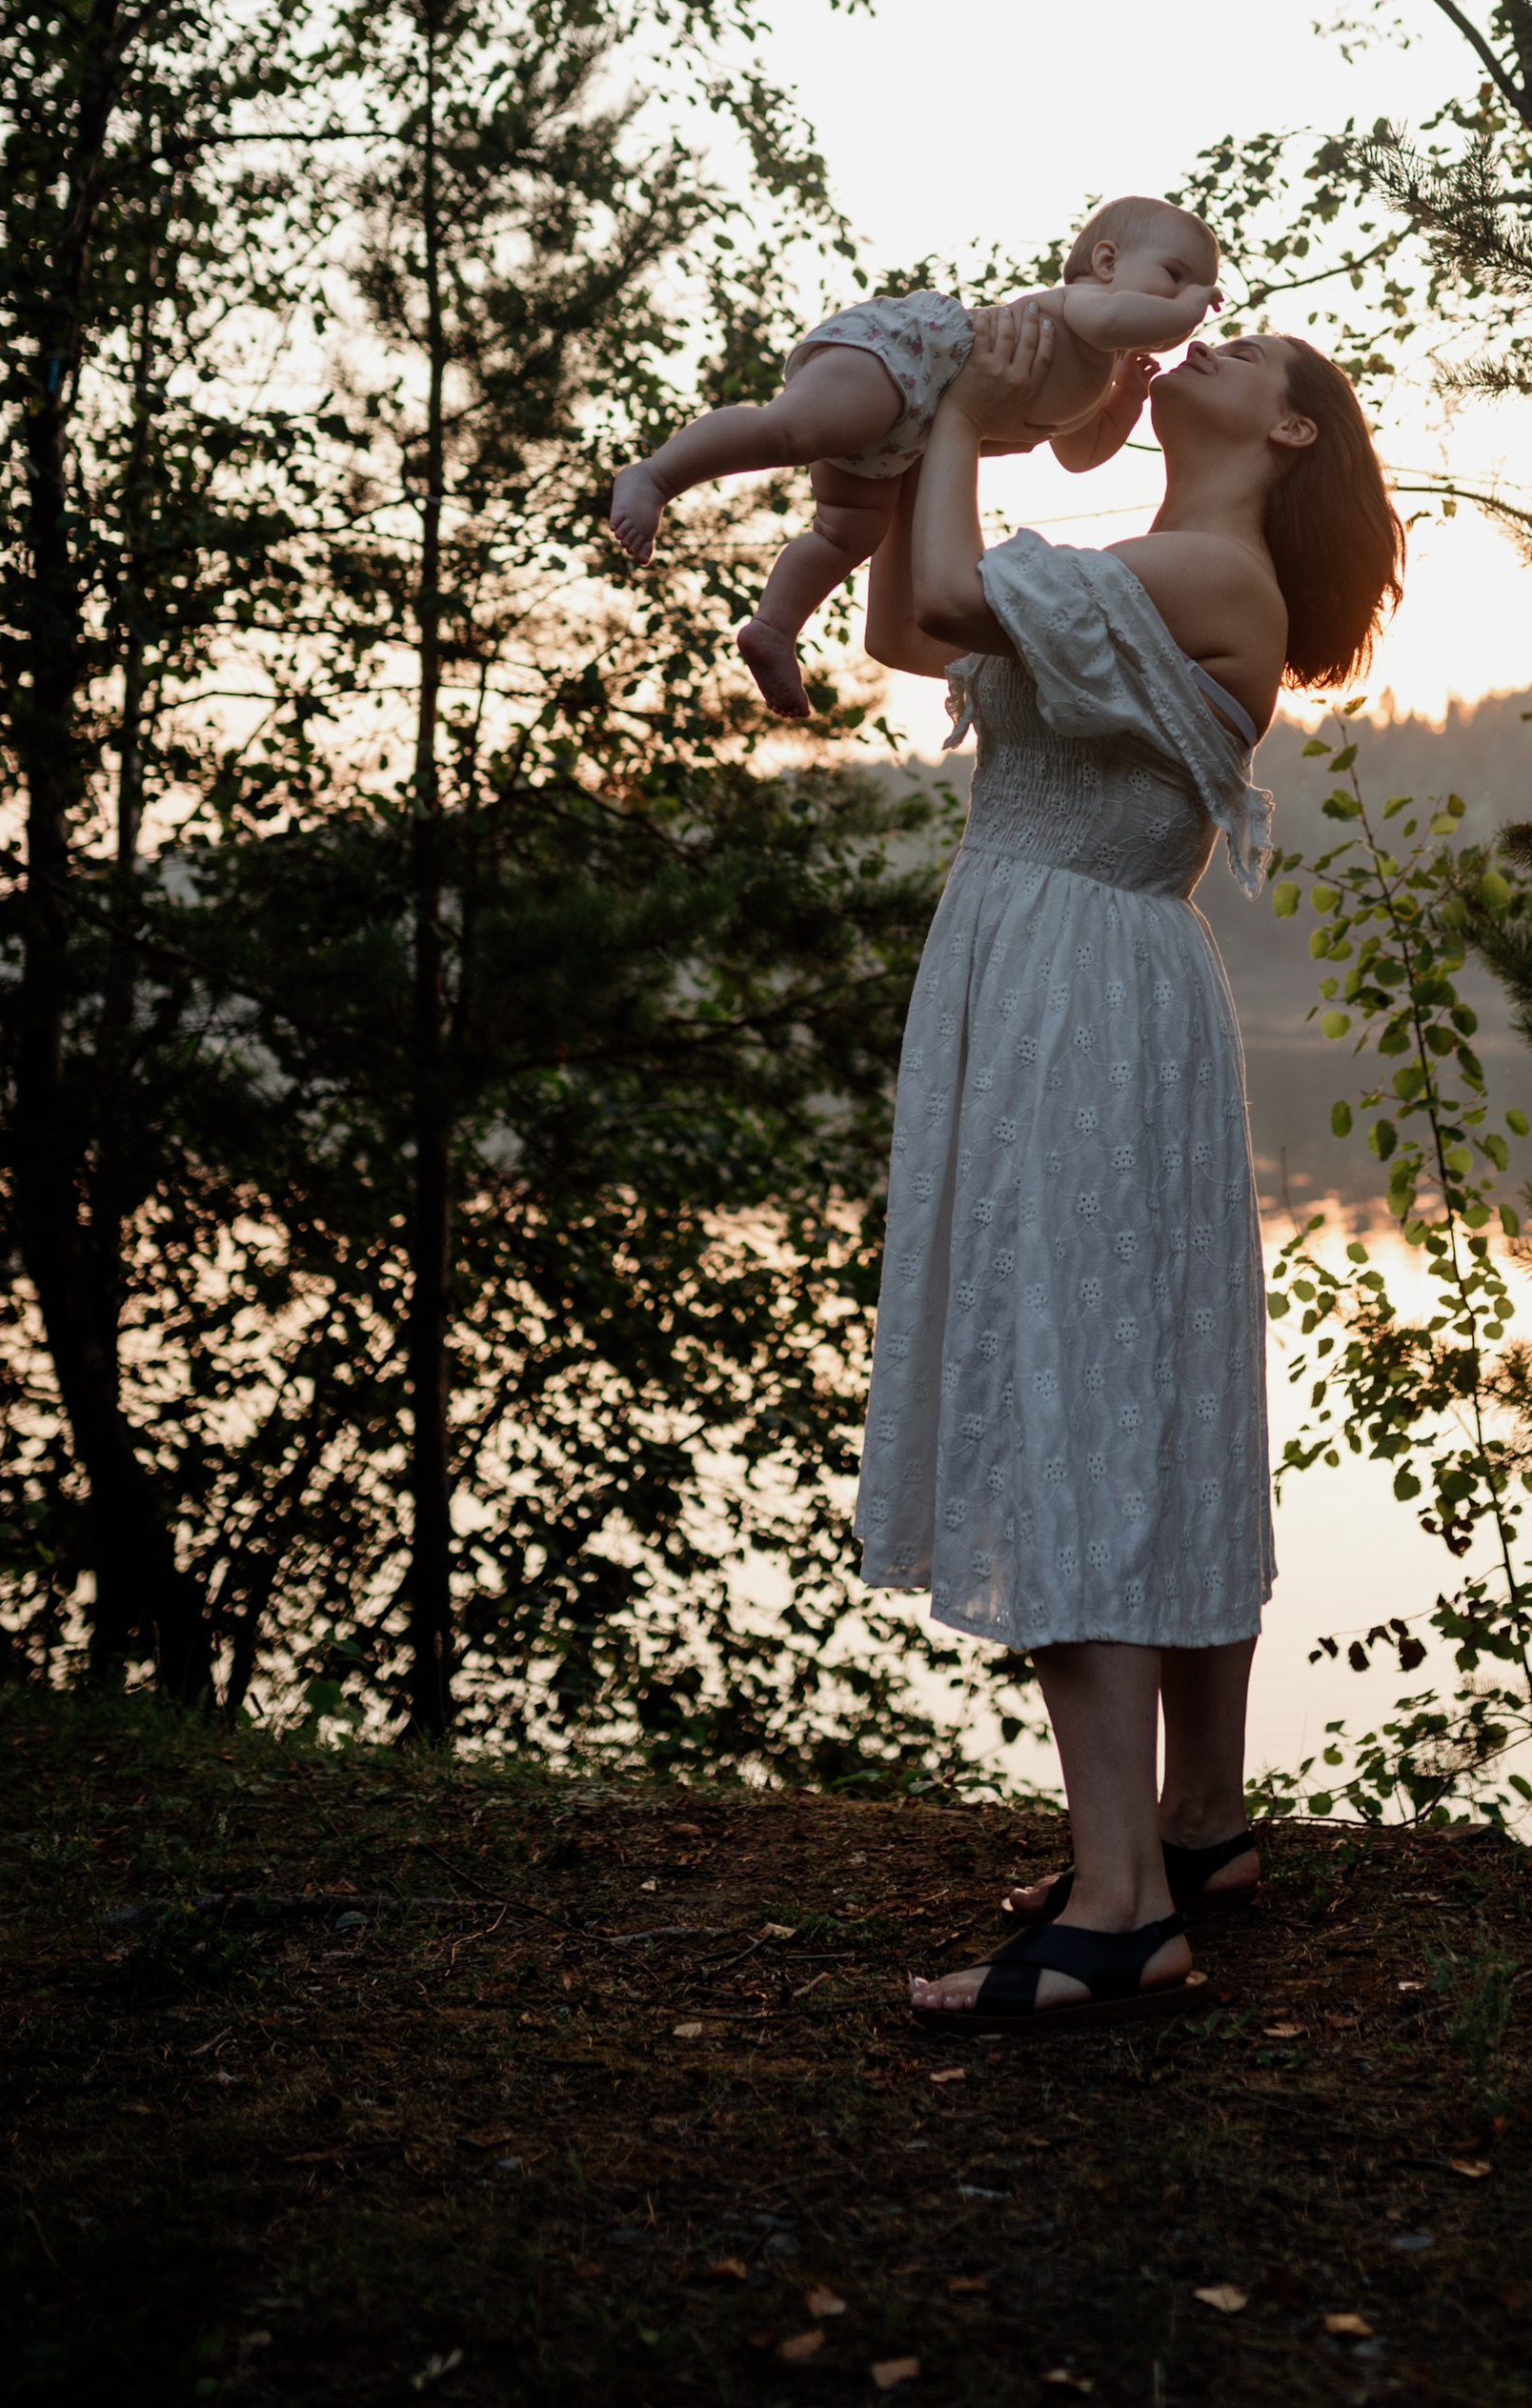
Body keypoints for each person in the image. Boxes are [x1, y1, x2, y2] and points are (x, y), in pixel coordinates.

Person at [854, 300, 1404, 2028]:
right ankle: (1200, 1824)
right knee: (1146, 1389)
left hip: (1078, 986)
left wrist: (956, 406)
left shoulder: (1218, 577)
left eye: (1253, 357)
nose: (1208, 353)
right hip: (1067, 974)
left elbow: (957, 594)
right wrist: (927, 449)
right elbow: (904, 626)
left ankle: (1117, 1909)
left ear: (1292, 432)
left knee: (1071, 1396)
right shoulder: (1142, 563)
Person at [605, 195, 1221, 716]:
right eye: (1175, 274)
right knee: (791, 432)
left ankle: (774, 628)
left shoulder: (1098, 374)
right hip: (909, 357)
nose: (1188, 297)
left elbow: (1080, 456)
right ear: (1106, 263)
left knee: (847, 535)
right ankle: (656, 476)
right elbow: (1118, 316)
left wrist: (1126, 401)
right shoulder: (1085, 305)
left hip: (910, 438)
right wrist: (1191, 304)